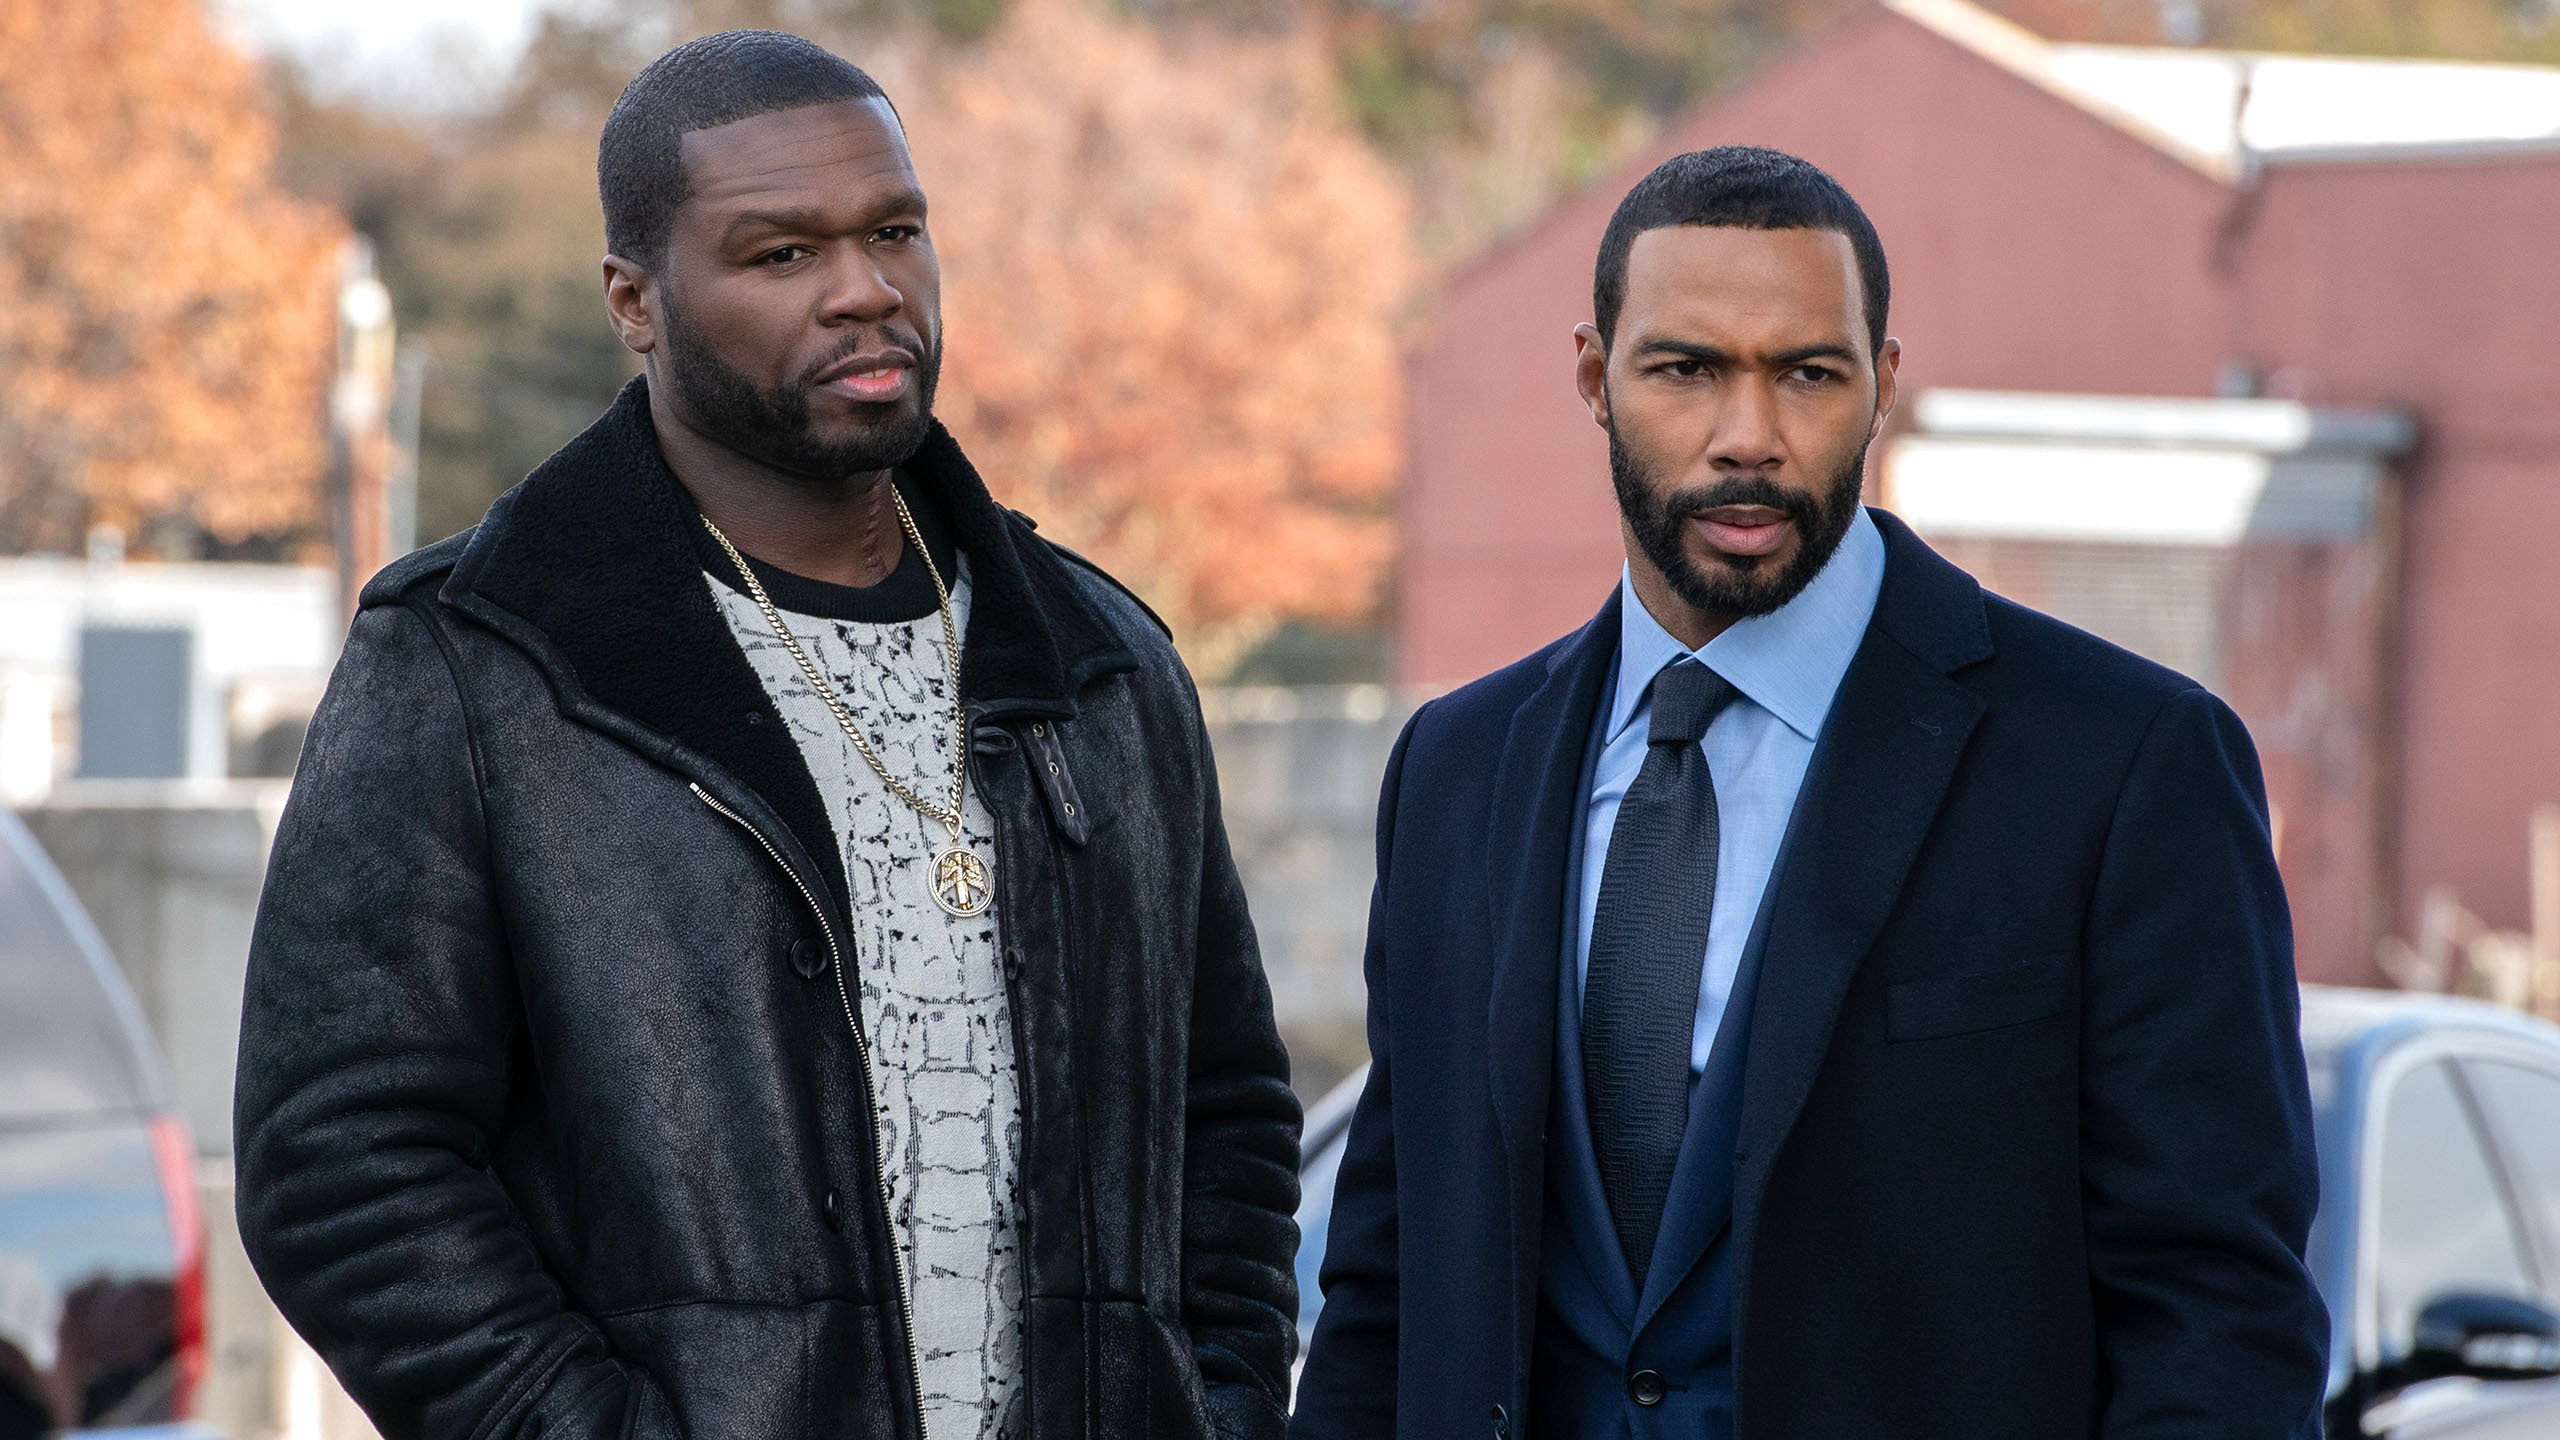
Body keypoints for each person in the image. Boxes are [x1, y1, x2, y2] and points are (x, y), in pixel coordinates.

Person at [234, 31, 1299, 1440]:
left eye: (895, 231)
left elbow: (1229, 1114)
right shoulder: (476, 663)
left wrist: (1217, 1409)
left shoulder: (1104, 663)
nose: (866, 290)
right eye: (781, 253)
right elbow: (343, 1165)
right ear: (637, 301)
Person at [1289, 146, 2326, 1440]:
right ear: (1593, 379)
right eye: (1686, 369)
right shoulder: (1455, 769)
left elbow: (2220, 1320)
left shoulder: (2127, 762)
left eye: (1808, 374)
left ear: (1881, 385)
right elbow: (1385, 1291)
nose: (1749, 437)